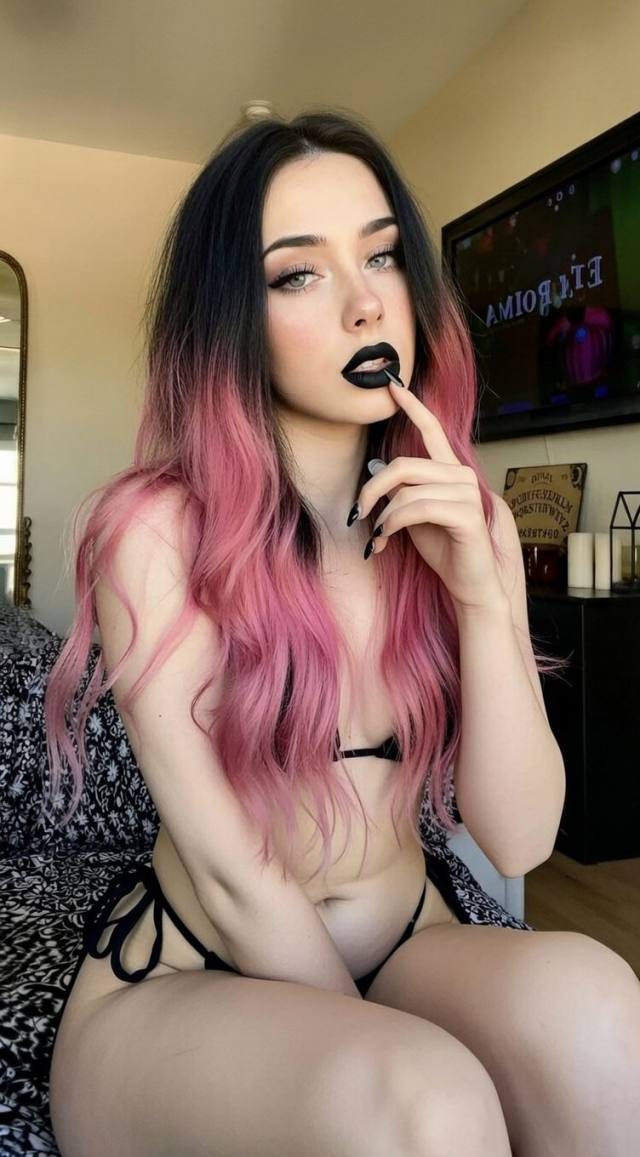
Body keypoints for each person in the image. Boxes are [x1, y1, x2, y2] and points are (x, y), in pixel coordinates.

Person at [45, 110, 640, 1157]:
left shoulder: (470, 520)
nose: (365, 301)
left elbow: (518, 841)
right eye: (298, 273)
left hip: (407, 938)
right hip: (195, 970)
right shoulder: (155, 531)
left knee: (602, 1008)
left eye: (381, 255)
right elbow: (231, 877)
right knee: (422, 1103)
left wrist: (481, 596)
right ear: (230, 317)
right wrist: (384, 1048)